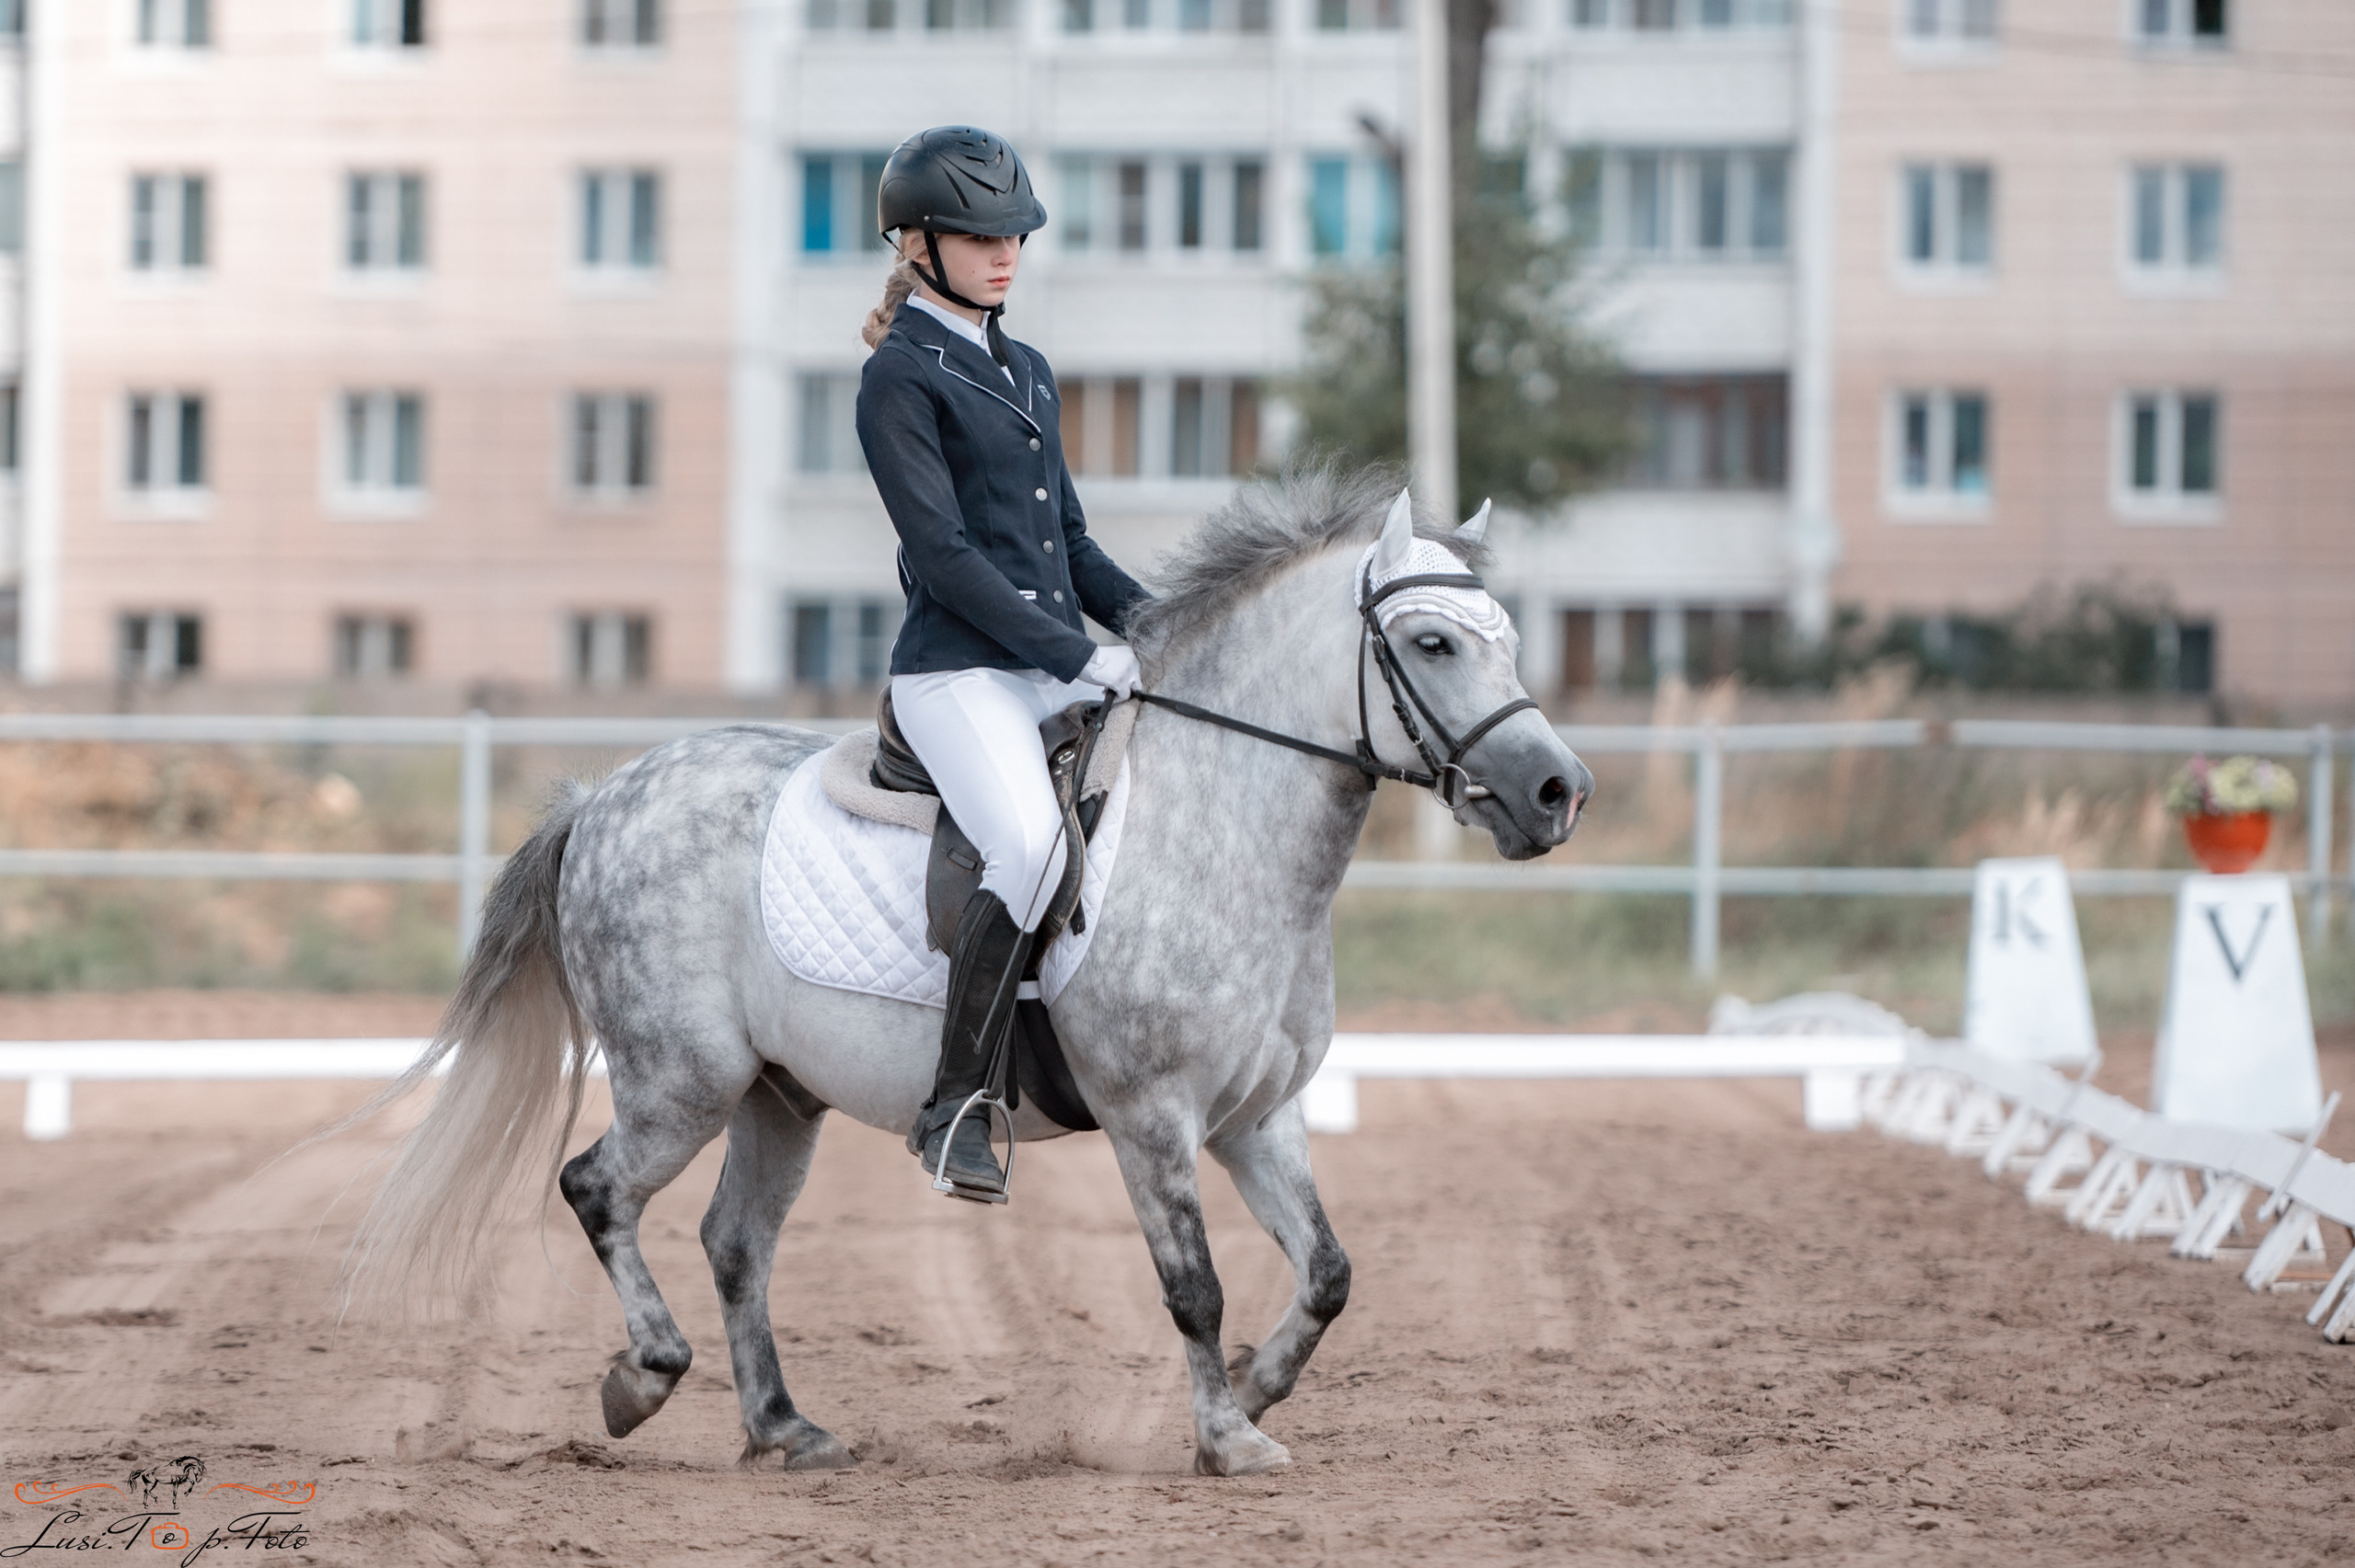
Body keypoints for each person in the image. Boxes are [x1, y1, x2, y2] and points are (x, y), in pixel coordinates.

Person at [854, 126, 1151, 1202]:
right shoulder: (898, 378)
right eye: (980, 235)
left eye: (1014, 232)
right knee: (1027, 843)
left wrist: (1156, 620)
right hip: (957, 673)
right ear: (919, 244)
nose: (1004, 251)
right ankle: (954, 1107)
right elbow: (944, 554)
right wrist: (1077, 652)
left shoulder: (1025, 368)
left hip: (1042, 661)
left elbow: (1067, 544)